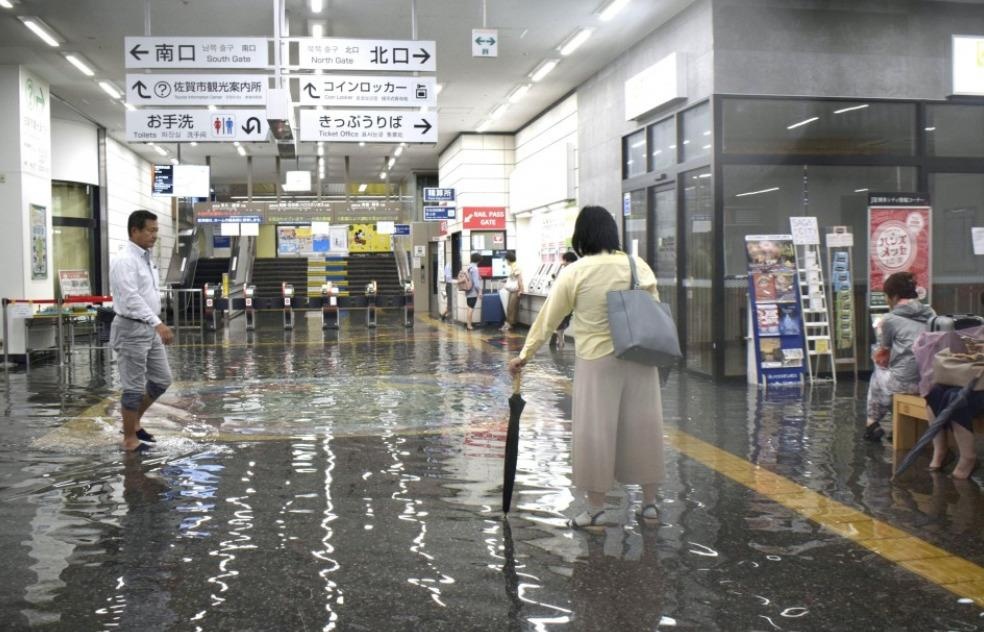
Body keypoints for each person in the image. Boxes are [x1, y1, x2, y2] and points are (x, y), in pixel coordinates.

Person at [508, 206, 664, 529]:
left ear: (582, 237)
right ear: (612, 233)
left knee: (596, 432)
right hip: (640, 358)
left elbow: (548, 319)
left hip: (597, 362)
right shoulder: (638, 265)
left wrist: (525, 354)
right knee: (644, 428)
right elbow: (655, 310)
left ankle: (595, 510)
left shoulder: (576, 272)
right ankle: (649, 506)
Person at [110, 210, 174, 453]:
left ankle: (134, 422)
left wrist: (154, 323)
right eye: (150, 230)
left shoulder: (146, 258)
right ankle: (129, 439)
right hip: (131, 328)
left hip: (148, 326)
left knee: (161, 380)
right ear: (134, 231)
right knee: (133, 387)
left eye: (156, 230)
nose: (154, 235)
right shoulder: (125, 260)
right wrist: (158, 323)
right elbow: (130, 298)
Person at [863, 271, 935, 442]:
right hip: (930, 381)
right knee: (884, 379)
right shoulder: (931, 312)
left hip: (905, 384)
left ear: (894, 297)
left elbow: (883, 355)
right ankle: (880, 425)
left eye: (887, 296)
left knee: (877, 372)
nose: (887, 300)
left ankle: (872, 423)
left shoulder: (890, 319)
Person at [550, 251, 578, 350]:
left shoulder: (566, 270)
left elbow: (561, 283)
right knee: (565, 319)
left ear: (566, 259)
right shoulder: (578, 269)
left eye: (564, 260)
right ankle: (560, 339)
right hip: (573, 300)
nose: (563, 262)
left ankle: (561, 341)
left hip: (564, 299)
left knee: (560, 320)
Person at [499, 251, 523, 332]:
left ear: (509, 259)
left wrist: (521, 290)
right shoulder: (513, 266)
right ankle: (510, 324)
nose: (506, 262)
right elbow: (514, 278)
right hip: (513, 290)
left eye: (506, 260)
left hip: (515, 290)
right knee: (510, 308)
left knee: (511, 308)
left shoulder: (515, 267)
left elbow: (520, 279)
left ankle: (509, 324)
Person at [464, 252, 482, 331]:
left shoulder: (468, 267)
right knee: (471, 308)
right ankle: (469, 325)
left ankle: (468, 323)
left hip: (468, 290)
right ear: (478, 260)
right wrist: (480, 291)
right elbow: (476, 283)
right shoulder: (475, 268)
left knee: (469, 307)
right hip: (473, 291)